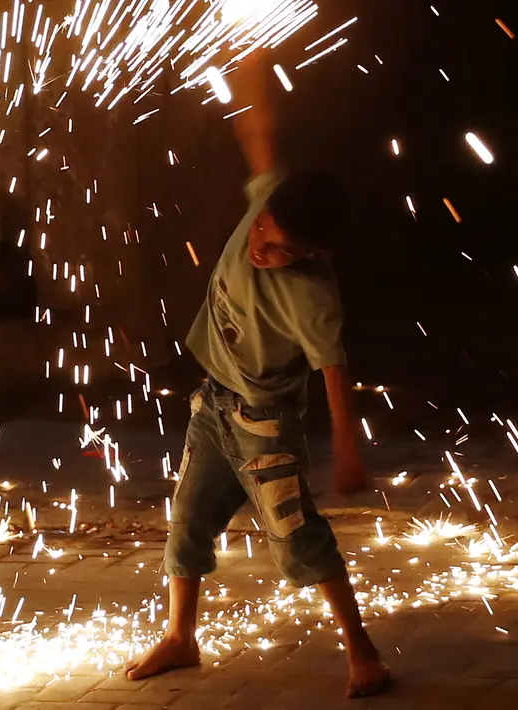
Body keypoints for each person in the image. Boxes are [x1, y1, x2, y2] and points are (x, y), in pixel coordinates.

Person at [125, 48, 392, 698]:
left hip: (265, 427)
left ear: (313, 254)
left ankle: (364, 654)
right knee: (186, 521)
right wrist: (248, 65)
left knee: (296, 539)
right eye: (264, 231)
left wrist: (348, 454)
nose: (262, 249)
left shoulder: (313, 296)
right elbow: (256, 131)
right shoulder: (266, 200)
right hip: (213, 405)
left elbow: (333, 373)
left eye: (281, 252)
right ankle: (181, 637)